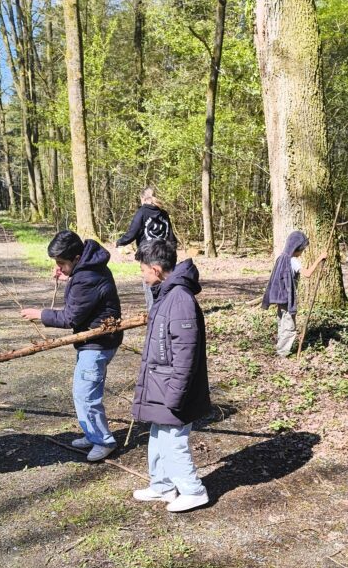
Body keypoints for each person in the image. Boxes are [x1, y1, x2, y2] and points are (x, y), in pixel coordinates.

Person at [19, 229, 122, 462]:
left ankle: (103, 441)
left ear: (76, 258)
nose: (59, 267)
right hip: (94, 340)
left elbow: (70, 318)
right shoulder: (89, 266)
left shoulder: (86, 277)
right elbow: (84, 292)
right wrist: (69, 275)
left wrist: (40, 314)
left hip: (97, 343)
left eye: (62, 263)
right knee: (83, 391)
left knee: (86, 395)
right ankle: (92, 433)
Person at [131, 239, 211, 512]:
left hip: (173, 389)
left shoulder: (180, 299)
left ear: (155, 269)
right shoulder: (167, 294)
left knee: (173, 441)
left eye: (142, 270)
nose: (142, 275)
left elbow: (186, 353)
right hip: (161, 385)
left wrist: (176, 394)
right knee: (157, 435)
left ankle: (193, 491)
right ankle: (162, 486)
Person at [261, 230, 326, 357]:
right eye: (302, 250)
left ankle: (280, 348)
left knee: (282, 323)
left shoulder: (281, 258)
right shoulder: (292, 260)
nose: (302, 252)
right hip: (287, 298)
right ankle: (282, 353)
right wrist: (319, 259)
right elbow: (307, 274)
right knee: (289, 326)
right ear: (297, 248)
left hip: (280, 297)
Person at [115, 187, 176, 310]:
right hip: (164, 253)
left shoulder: (142, 212)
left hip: (148, 254)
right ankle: (167, 310)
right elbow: (170, 235)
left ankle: (153, 312)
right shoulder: (163, 213)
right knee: (166, 283)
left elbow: (132, 232)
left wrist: (120, 242)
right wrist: (172, 252)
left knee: (150, 282)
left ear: (143, 198)